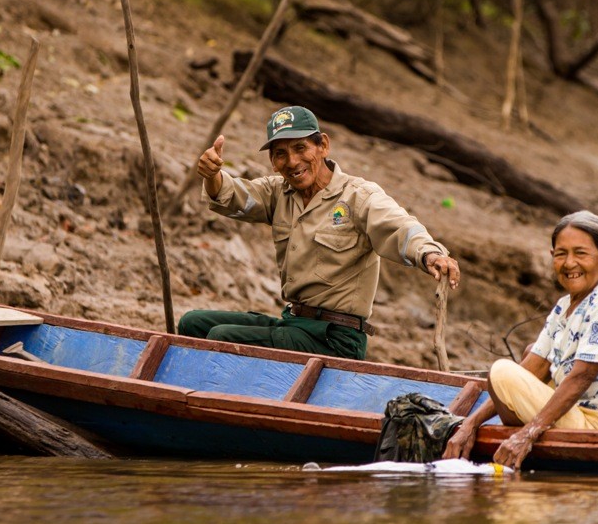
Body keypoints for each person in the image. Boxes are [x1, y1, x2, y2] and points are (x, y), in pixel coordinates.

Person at [181, 105, 462, 360]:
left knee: (222, 339)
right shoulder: (279, 192)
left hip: (335, 339)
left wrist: (430, 254)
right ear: (272, 160)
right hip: (294, 324)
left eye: (300, 148)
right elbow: (234, 197)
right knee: (192, 323)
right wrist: (213, 175)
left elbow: (398, 227)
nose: (291, 161)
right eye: (281, 154)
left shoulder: (358, 196)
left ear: (322, 146)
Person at [443, 210, 598, 468]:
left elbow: (583, 375)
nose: (569, 263)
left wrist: (527, 434)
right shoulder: (564, 306)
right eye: (561, 254)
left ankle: (529, 432)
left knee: (502, 370)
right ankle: (530, 431)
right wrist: (470, 424)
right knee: (528, 356)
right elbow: (532, 368)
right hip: (580, 415)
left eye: (581, 253)